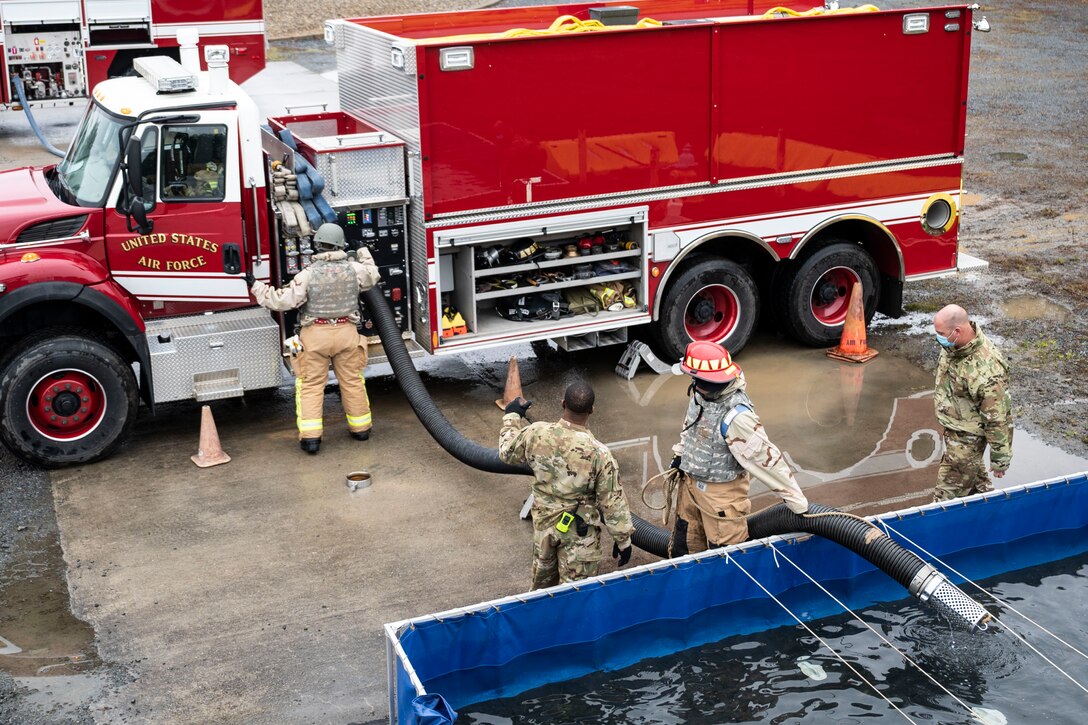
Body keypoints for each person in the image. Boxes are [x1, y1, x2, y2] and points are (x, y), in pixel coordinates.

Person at [249, 223, 380, 454]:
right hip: (347, 333)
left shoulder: (307, 275)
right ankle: (361, 430)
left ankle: (311, 439)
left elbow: (281, 301)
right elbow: (373, 276)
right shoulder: (354, 269)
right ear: (341, 245)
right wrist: (363, 252)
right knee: (351, 381)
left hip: (314, 336)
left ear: (317, 245)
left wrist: (255, 286)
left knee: (310, 386)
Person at [669, 341, 809, 556]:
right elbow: (690, 427)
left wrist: (797, 503)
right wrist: (680, 454)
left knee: (726, 558)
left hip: (721, 498)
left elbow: (767, 460)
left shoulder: (737, 417)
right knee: (684, 547)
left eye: (698, 379)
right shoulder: (700, 395)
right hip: (690, 486)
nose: (695, 383)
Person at [498, 382, 635, 590]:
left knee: (542, 593)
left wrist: (512, 415)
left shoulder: (536, 433)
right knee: (577, 597)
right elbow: (612, 503)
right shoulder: (599, 453)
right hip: (579, 537)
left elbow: (506, 453)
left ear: (563, 404)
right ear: (592, 410)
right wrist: (623, 540)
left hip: (544, 529)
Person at [932, 304, 1013, 501]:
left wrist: (1000, 458)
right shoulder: (954, 346)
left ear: (957, 331)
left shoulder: (986, 370)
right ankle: (993, 516)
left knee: (945, 499)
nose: (938, 337)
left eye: (940, 333)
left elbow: (998, 417)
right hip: (955, 429)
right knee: (979, 489)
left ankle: (935, 531)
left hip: (967, 439)